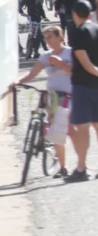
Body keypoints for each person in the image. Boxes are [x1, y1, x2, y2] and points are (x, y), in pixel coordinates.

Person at [10, 25, 74, 177]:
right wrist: (18, 81)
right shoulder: (46, 56)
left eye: (51, 37)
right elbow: (32, 73)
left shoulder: (70, 53)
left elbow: (76, 72)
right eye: (46, 38)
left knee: (58, 129)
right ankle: (45, 141)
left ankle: (63, 167)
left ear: (60, 37)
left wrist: (61, 64)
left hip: (67, 95)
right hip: (51, 94)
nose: (48, 41)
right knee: (48, 122)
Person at [66, 0, 98, 182]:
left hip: (82, 85)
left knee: (82, 127)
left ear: (74, 13)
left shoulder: (77, 32)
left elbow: (83, 60)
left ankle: (81, 167)